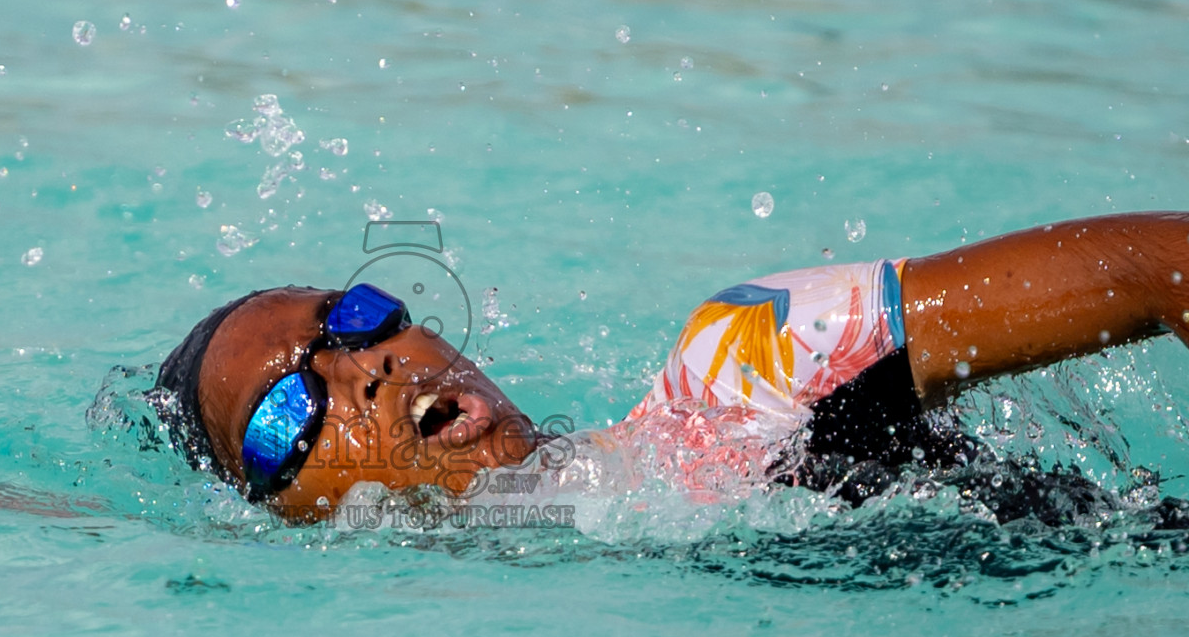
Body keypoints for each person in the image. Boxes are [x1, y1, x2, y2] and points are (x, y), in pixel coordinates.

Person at [142, 213, 1189, 524]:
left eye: (355, 320)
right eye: (287, 414)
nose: (364, 372)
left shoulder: (748, 371)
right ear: (276, 520)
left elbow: (1161, 267)